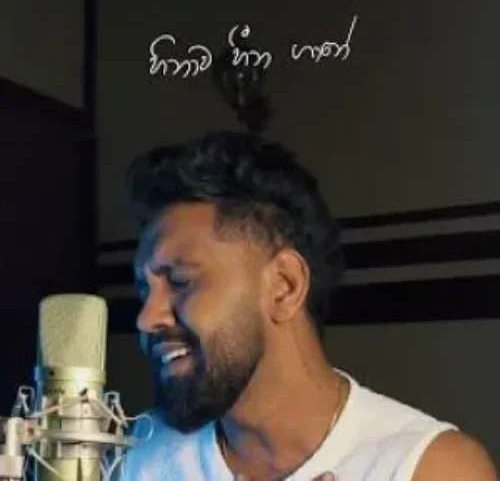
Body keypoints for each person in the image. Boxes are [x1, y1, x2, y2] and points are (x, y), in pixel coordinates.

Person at [119, 132, 497, 480]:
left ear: (285, 286)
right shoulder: (135, 458)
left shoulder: (433, 468)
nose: (147, 318)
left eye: (180, 281)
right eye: (144, 290)